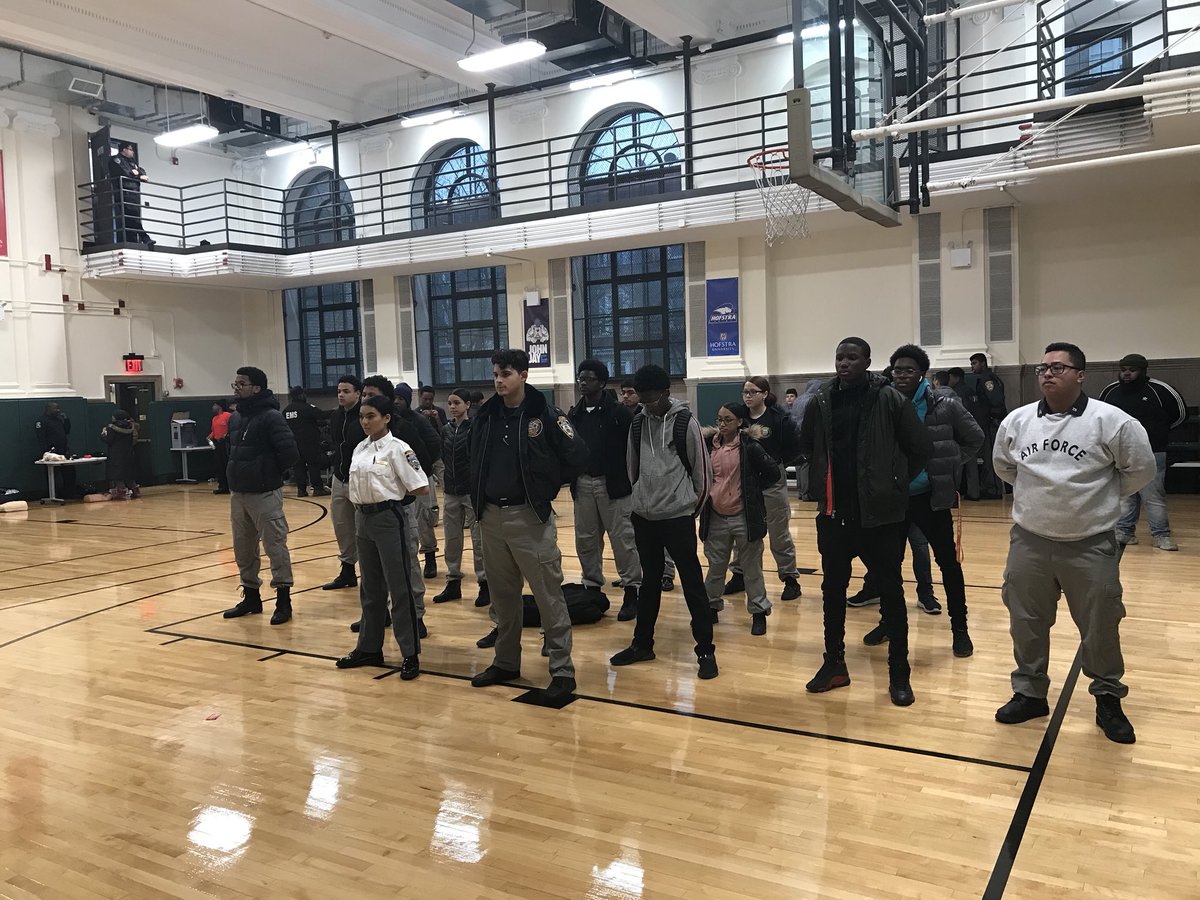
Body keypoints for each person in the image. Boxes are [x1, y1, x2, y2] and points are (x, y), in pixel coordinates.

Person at [992, 342, 1155, 744]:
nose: (1048, 373)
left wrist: (1097, 500)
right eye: (1043, 368)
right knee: (1026, 622)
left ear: (1081, 375)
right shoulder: (1017, 420)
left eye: (1058, 368)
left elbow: (1140, 470)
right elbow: (1005, 467)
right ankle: (1030, 693)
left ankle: (1107, 698)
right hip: (1029, 541)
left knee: (1100, 626)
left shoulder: (1111, 421)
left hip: (1090, 544)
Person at [798, 338, 934, 707]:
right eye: (839, 357)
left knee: (891, 593)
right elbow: (808, 446)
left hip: (880, 518)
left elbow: (921, 448)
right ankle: (834, 664)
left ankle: (899, 672)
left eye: (852, 357)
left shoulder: (889, 398)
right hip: (834, 516)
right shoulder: (821, 400)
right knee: (832, 592)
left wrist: (895, 484)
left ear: (868, 362)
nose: (844, 363)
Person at [468, 349, 587, 703]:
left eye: (505, 374)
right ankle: (506, 662)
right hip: (491, 516)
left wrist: (545, 484)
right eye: (495, 374)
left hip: (529, 517)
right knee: (503, 598)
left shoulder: (546, 415)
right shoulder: (486, 416)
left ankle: (562, 671)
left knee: (548, 596)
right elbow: (475, 458)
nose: (498, 380)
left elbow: (577, 456)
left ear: (523, 375)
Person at [861, 345, 984, 657]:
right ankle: (889, 623)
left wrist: (947, 465)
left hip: (931, 498)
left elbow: (975, 437)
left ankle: (960, 629)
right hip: (894, 499)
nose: (902, 375)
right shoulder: (881, 402)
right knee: (889, 566)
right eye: (897, 370)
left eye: (909, 370)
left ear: (922, 374)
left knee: (948, 564)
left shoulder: (944, 404)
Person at [609, 364, 717, 680]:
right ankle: (642, 644)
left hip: (678, 518)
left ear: (667, 393)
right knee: (649, 584)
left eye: (652, 399)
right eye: (642, 399)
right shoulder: (638, 423)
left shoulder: (686, 422)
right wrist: (640, 500)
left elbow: (703, 474)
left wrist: (688, 510)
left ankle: (705, 651)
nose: (647, 405)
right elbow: (632, 468)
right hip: (645, 518)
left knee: (693, 585)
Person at [335, 395, 428, 678]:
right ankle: (369, 648)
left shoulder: (398, 448)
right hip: (362, 519)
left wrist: (393, 496)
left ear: (386, 418)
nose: (365, 422)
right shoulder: (360, 448)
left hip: (388, 518)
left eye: (371, 416)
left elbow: (420, 485)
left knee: (400, 588)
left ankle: (409, 653)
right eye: (362, 416)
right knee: (371, 588)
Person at [222, 367, 300, 625]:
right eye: (235, 383)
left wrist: (267, 473)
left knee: (275, 546)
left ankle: (283, 601)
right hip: (239, 493)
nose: (236, 387)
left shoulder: (271, 417)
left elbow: (289, 453)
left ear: (256, 388)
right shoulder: (235, 418)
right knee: (243, 548)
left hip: (265, 492)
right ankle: (251, 597)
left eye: (241, 383)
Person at [568, 359, 641, 621]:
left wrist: (633, 481)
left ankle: (632, 590)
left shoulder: (619, 413)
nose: (583, 383)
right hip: (583, 484)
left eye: (588, 378)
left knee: (622, 541)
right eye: (580, 378)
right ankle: (591, 589)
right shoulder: (574, 415)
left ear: (601, 382)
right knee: (586, 541)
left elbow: (635, 449)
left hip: (614, 486)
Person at [359, 376, 430, 638]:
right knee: (373, 571)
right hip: (369, 514)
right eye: (364, 394)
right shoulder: (362, 436)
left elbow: (425, 459)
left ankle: (415, 615)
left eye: (372, 395)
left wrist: (400, 492)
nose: (366, 398)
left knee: (406, 564)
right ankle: (379, 617)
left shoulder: (405, 429)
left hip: (398, 510)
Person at [702, 402, 780, 635]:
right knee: (716, 566)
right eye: (719, 419)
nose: (722, 424)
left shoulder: (750, 446)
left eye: (728, 420)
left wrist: (752, 489)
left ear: (739, 422)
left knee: (751, 568)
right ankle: (711, 607)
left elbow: (773, 473)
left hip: (744, 517)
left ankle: (758, 612)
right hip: (715, 517)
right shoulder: (708, 446)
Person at [724, 377, 803, 602]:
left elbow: (793, 447)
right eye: (745, 392)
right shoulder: (739, 417)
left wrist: (774, 465)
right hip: (744, 482)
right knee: (742, 531)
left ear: (765, 394)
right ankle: (739, 575)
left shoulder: (778, 418)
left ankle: (790, 578)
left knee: (779, 534)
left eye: (753, 392)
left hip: (771, 482)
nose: (748, 396)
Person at [1099, 353, 1186, 551]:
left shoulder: (1161, 390)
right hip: (1120, 452)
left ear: (1143, 371)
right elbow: (1102, 418)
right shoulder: (1110, 392)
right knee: (1125, 494)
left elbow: (1180, 416)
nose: (1127, 374)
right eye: (1123, 370)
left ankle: (1161, 535)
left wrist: (1157, 433)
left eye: (1132, 370)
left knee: (1153, 496)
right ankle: (1125, 532)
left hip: (1153, 451)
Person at [433, 388, 488, 607]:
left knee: (478, 541)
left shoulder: (475, 428)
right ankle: (453, 581)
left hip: (471, 492)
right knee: (452, 540)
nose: (452, 407)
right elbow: (443, 457)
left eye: (457, 403)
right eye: (450, 403)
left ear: (467, 405)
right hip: (451, 492)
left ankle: (484, 583)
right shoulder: (446, 430)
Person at [396, 382, 443, 579]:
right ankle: (408, 560)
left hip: (420, 477)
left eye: (400, 398)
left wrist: (423, 467)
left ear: (407, 400)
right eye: (394, 398)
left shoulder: (418, 420)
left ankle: (430, 555)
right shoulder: (390, 421)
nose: (396, 402)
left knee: (423, 519)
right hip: (400, 481)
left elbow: (435, 443)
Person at [323, 375, 364, 591]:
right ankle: (347, 570)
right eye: (339, 391)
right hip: (339, 478)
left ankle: (370, 574)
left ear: (358, 393)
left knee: (364, 528)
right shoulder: (336, 416)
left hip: (360, 480)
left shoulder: (365, 415)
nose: (341, 395)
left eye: (346, 391)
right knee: (341, 525)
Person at [969, 352, 1007, 498]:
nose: (972, 367)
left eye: (974, 363)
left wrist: (990, 415)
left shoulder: (987, 380)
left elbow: (996, 401)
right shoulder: (987, 378)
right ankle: (991, 487)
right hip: (989, 421)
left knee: (990, 454)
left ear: (983, 363)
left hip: (991, 421)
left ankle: (993, 489)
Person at [283, 385, 330, 497]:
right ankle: (317, 488)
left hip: (294, 443)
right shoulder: (307, 408)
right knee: (313, 464)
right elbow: (322, 415)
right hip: (309, 443)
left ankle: (301, 490)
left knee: (298, 466)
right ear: (301, 395)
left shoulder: (286, 411)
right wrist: (337, 411)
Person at [107, 142, 153, 245]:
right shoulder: (115, 160)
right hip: (124, 192)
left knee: (132, 217)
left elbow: (141, 171)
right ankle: (144, 238)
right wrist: (138, 176)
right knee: (132, 216)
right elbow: (124, 172)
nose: (132, 152)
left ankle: (134, 241)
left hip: (133, 192)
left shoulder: (131, 161)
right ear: (124, 150)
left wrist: (137, 174)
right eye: (130, 149)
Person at [35, 402, 75, 498]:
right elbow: (41, 437)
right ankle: (53, 494)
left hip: (63, 450)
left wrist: (66, 420)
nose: (58, 410)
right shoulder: (41, 421)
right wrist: (46, 452)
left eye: (58, 408)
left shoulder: (58, 419)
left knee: (69, 472)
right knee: (52, 474)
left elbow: (67, 431)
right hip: (51, 452)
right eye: (55, 408)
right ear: (48, 409)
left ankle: (68, 493)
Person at [101, 409, 140, 500]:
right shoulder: (131, 426)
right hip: (129, 453)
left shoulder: (112, 428)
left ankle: (121, 492)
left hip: (116, 454)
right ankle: (135, 490)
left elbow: (109, 440)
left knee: (117, 474)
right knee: (129, 474)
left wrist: (103, 434)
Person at [209, 400, 232, 495]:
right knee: (219, 465)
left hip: (226, 443)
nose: (213, 407)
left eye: (214, 405)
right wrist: (210, 437)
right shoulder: (214, 419)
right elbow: (214, 431)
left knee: (227, 465)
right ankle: (222, 486)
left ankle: (230, 486)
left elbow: (232, 428)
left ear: (219, 406)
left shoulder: (228, 416)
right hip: (217, 444)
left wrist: (227, 436)